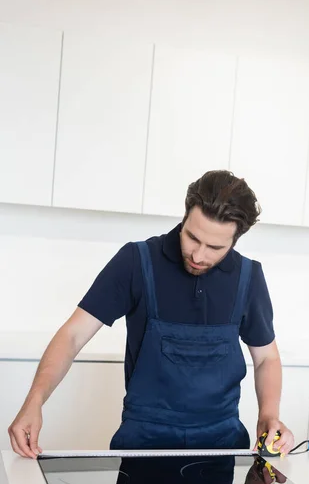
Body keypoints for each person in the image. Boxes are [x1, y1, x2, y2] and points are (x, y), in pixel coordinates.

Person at [8, 170, 294, 459]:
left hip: (222, 445)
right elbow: (72, 336)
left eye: (215, 248)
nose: (198, 256)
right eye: (193, 238)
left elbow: (266, 357)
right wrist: (35, 401)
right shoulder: (136, 261)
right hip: (143, 443)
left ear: (235, 240)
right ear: (184, 217)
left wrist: (268, 415)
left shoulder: (249, 277)